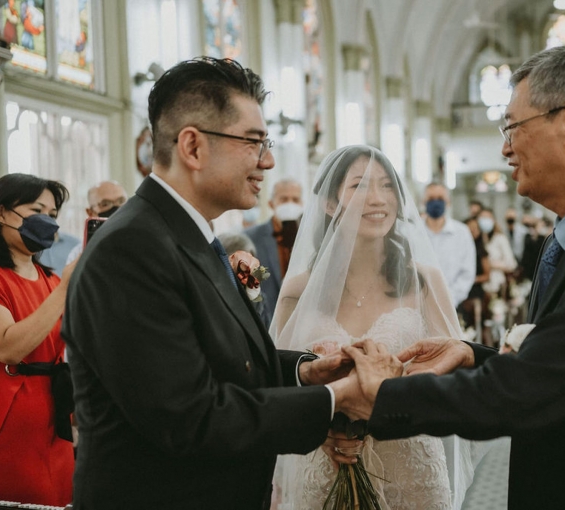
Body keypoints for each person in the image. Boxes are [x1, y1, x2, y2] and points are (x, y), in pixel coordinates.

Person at [335, 43, 565, 509]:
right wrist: (471, 355)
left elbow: (527, 392)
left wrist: (386, 395)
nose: (504, 148)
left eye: (512, 127)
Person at [60, 57, 368, 509]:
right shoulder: (130, 251)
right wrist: (333, 398)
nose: (268, 160)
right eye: (253, 142)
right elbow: (190, 418)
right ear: (193, 147)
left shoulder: (190, 233)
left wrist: (305, 372)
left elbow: (222, 360)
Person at [271, 145, 475, 510]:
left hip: (411, 464)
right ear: (330, 204)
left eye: (387, 186)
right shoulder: (300, 290)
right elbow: (279, 380)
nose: (378, 199)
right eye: (360, 186)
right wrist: (321, 429)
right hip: (327, 462)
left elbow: (454, 372)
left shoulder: (424, 281)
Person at [0, 173, 77, 506]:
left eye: (53, 215)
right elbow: (7, 347)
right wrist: (66, 291)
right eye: (36, 210)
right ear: (1, 213)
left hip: (54, 420)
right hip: (6, 422)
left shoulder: (51, 279)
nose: (48, 222)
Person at [245, 178, 303, 326]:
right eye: (284, 199)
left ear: (302, 204)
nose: (290, 204)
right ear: (271, 203)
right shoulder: (251, 237)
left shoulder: (311, 237)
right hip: (267, 322)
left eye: (295, 199)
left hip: (302, 323)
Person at [422, 182, 476, 309]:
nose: (436, 202)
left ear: (448, 202)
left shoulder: (461, 232)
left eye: (440, 199)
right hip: (417, 304)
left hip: (452, 304)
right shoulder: (412, 231)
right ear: (423, 202)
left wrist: (449, 299)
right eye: (431, 199)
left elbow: (467, 272)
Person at [65, 180, 129, 264]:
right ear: (90, 212)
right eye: (105, 204)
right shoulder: (79, 254)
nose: (116, 208)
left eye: (121, 201)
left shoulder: (143, 240)